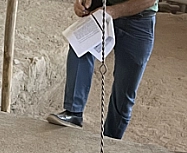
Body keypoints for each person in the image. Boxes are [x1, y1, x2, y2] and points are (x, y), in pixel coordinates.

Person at [46, 0, 158, 139]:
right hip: (101, 9)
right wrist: (82, 3)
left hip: (139, 19)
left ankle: (111, 138)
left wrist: (113, 11)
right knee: (79, 46)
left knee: (125, 87)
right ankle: (73, 112)